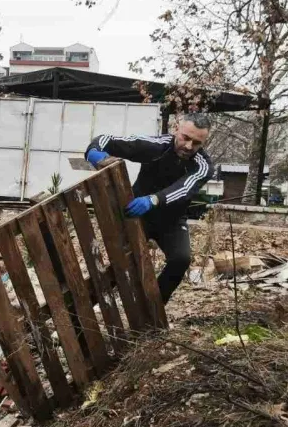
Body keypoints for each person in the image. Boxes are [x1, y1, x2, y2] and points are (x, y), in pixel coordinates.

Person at [84, 113, 214, 304]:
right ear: (176, 129)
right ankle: (87, 305)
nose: (188, 147)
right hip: (138, 216)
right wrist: (93, 150)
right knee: (123, 263)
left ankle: (154, 308)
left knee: (181, 259)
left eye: (196, 143)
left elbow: (185, 188)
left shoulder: (203, 166)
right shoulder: (156, 146)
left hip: (171, 220)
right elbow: (108, 140)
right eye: (185, 138)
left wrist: (154, 200)